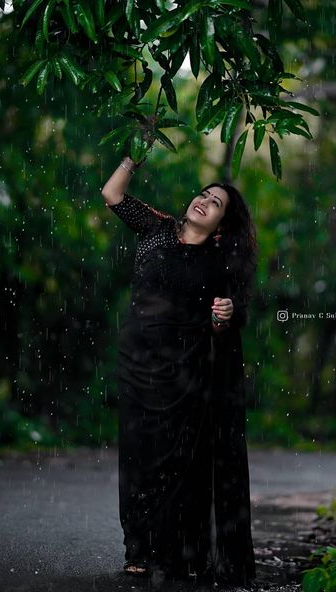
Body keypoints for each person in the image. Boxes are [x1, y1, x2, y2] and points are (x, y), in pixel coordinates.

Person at [101, 155, 258, 588]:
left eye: (217, 203)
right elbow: (112, 195)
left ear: (222, 225)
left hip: (184, 373)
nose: (204, 201)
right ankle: (138, 549)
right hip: (137, 363)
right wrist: (134, 155)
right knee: (137, 456)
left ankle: (168, 550)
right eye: (204, 194)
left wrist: (223, 316)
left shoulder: (218, 261)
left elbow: (224, 318)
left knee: (172, 461)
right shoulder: (156, 228)